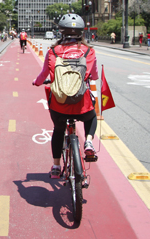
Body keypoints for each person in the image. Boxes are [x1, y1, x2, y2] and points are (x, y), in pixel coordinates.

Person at [32, 13, 99, 179]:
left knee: (58, 130)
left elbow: (42, 75)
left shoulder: (53, 51)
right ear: (82, 32)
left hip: (59, 104)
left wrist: (36, 82)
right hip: (81, 103)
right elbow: (95, 76)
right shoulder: (89, 52)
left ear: (61, 32)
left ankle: (55, 166)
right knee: (92, 117)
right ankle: (88, 141)